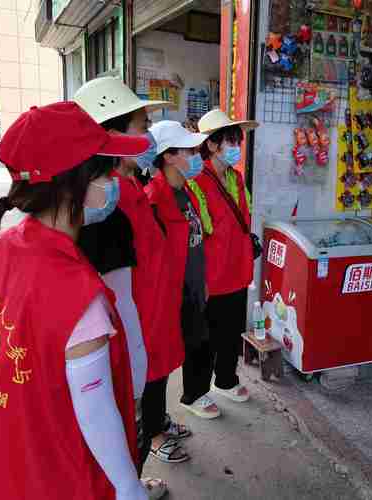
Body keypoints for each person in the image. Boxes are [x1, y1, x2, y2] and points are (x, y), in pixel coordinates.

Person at [0, 102, 150, 499]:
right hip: (47, 470)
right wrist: (130, 488)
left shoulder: (9, 244)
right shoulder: (79, 293)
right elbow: (96, 413)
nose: (115, 179)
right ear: (75, 184)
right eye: (106, 170)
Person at [74, 77, 188, 494]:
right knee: (124, 423)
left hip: (147, 326)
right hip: (126, 338)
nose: (149, 138)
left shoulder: (129, 184)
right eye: (142, 127)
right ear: (113, 135)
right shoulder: (103, 203)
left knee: (135, 414)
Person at [178, 109, 259, 419]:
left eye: (237, 139)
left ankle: (226, 380)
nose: (237, 145)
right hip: (211, 275)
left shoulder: (236, 177)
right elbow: (195, 235)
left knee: (230, 333)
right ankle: (194, 393)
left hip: (237, 271)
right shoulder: (196, 181)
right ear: (211, 145)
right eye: (230, 140)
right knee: (203, 339)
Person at [144, 121, 217, 424]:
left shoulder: (186, 190)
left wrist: (203, 282)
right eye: (189, 150)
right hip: (168, 297)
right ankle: (154, 429)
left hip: (193, 290)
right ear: (169, 156)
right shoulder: (153, 199)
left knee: (197, 345)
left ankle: (187, 400)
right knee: (157, 367)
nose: (196, 155)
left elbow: (196, 241)